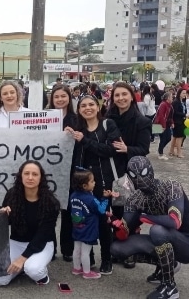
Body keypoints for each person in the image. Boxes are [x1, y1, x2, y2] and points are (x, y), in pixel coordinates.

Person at [111, 156, 189, 299]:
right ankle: (168, 266)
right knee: (117, 248)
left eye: (144, 172)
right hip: (166, 240)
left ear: (151, 171)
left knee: (157, 231)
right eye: (134, 175)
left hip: (186, 242)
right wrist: (113, 223)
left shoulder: (171, 187)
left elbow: (175, 221)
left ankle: (170, 287)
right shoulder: (135, 198)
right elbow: (125, 231)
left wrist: (144, 217)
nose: (140, 178)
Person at [66, 94, 122, 275]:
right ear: (79, 110)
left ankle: (106, 259)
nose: (88, 108)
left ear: (98, 108)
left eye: (91, 104)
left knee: (103, 221)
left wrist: (85, 140)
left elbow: (110, 150)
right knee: (82, 221)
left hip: (103, 182)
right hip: (82, 184)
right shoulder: (77, 128)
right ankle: (87, 259)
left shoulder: (108, 125)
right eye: (83, 106)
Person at [0, 160, 60, 286]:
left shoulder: (50, 202)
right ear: (20, 176)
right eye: (26, 173)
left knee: (33, 270)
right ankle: (22, 268)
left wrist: (21, 259)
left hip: (42, 244)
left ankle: (40, 274)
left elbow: (42, 236)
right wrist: (2, 216)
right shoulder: (12, 195)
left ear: (41, 178)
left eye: (35, 174)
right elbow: (2, 225)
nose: (30, 177)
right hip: (17, 242)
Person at [105, 82, 151, 269]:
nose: (121, 98)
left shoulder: (142, 121)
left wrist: (126, 149)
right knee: (112, 213)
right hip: (109, 172)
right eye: (117, 95)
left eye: (125, 94)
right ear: (112, 98)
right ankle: (115, 250)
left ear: (132, 96)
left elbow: (144, 149)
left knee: (129, 214)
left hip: (129, 175)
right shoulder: (107, 118)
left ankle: (130, 252)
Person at [48, 85, 78, 262]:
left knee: (67, 211)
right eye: (56, 96)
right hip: (49, 169)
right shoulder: (44, 118)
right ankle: (49, 247)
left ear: (69, 98)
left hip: (70, 169)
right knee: (49, 210)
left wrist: (72, 135)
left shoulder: (76, 118)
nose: (59, 99)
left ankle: (68, 248)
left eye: (63, 96)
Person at [69, 169, 113, 280]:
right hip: (89, 229)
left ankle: (76, 268)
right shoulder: (91, 199)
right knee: (85, 252)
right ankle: (87, 272)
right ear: (84, 185)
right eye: (92, 181)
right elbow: (101, 210)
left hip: (77, 227)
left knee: (76, 249)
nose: (95, 183)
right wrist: (105, 198)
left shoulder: (73, 196)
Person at [154, 92, 174, 160]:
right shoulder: (163, 104)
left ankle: (160, 149)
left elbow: (170, 116)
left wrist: (172, 123)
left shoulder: (169, 105)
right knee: (163, 139)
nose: (172, 98)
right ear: (167, 98)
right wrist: (163, 126)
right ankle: (160, 153)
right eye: (171, 97)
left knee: (168, 138)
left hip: (166, 124)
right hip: (160, 124)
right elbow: (161, 116)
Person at [169, 88, 187, 158]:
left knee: (175, 136)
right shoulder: (176, 102)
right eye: (183, 93)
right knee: (179, 137)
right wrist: (184, 115)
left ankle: (171, 150)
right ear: (179, 93)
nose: (184, 94)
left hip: (182, 121)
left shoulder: (182, 101)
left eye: (185, 93)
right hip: (177, 121)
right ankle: (179, 153)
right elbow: (175, 112)